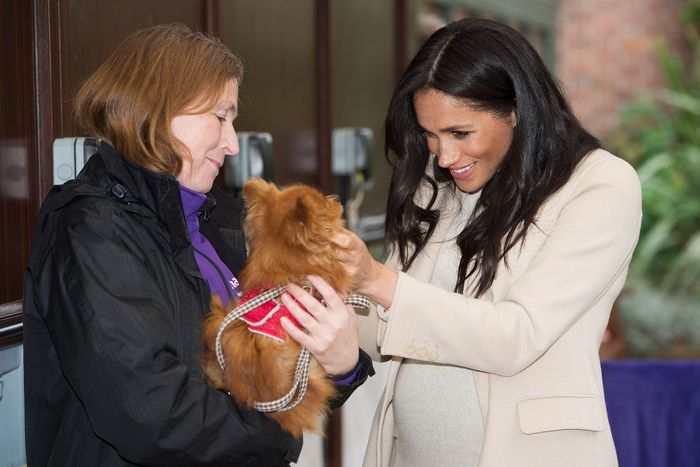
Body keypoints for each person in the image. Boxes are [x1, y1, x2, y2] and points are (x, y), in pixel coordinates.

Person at [23, 23, 372, 467]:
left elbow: (267, 377)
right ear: (160, 108)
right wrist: (279, 437)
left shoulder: (215, 221)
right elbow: (152, 415)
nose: (230, 143)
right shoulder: (91, 231)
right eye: (221, 117)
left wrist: (343, 366)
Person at [333, 18, 642, 467]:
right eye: (430, 134)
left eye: (461, 133)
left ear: (516, 109)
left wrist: (377, 281)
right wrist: (330, 297)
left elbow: (516, 335)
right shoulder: (436, 181)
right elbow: (387, 329)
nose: (445, 156)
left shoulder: (601, 185)